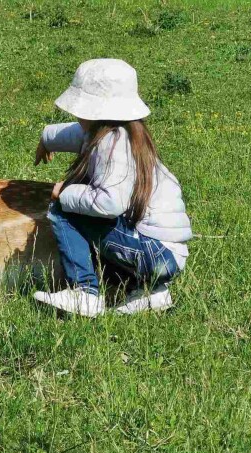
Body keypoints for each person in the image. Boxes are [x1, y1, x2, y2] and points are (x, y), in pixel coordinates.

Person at [32, 58, 192, 317]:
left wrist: (65, 192)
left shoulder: (112, 145)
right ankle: (150, 292)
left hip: (152, 252)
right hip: (167, 255)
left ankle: (83, 292)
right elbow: (78, 135)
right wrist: (47, 139)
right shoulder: (124, 133)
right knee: (99, 215)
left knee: (64, 210)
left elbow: (110, 204)